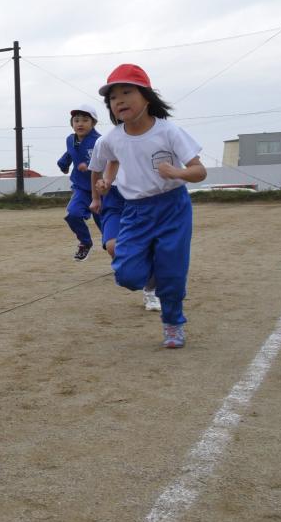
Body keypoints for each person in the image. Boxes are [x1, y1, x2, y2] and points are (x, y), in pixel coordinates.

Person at [90, 64, 205, 348]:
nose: (119, 101)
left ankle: (173, 323)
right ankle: (151, 277)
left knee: (173, 273)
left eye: (127, 92)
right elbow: (98, 167)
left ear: (147, 96)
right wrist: (101, 187)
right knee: (128, 275)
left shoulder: (169, 132)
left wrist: (177, 172)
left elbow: (199, 171)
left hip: (172, 207)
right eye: (113, 97)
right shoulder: (111, 139)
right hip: (136, 210)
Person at [88, 150, 160, 311]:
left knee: (154, 248)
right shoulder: (106, 141)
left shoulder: (152, 136)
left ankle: (151, 290)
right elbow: (96, 170)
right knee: (113, 246)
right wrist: (95, 198)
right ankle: (142, 273)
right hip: (114, 199)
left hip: (143, 197)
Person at [57, 104, 101, 261]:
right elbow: (71, 153)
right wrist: (63, 164)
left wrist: (89, 167)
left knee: (106, 228)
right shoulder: (70, 139)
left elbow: (110, 163)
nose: (80, 124)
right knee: (73, 214)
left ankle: (120, 253)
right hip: (81, 189)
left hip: (102, 190)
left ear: (93, 123)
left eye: (85, 120)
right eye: (76, 120)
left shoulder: (99, 141)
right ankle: (85, 242)